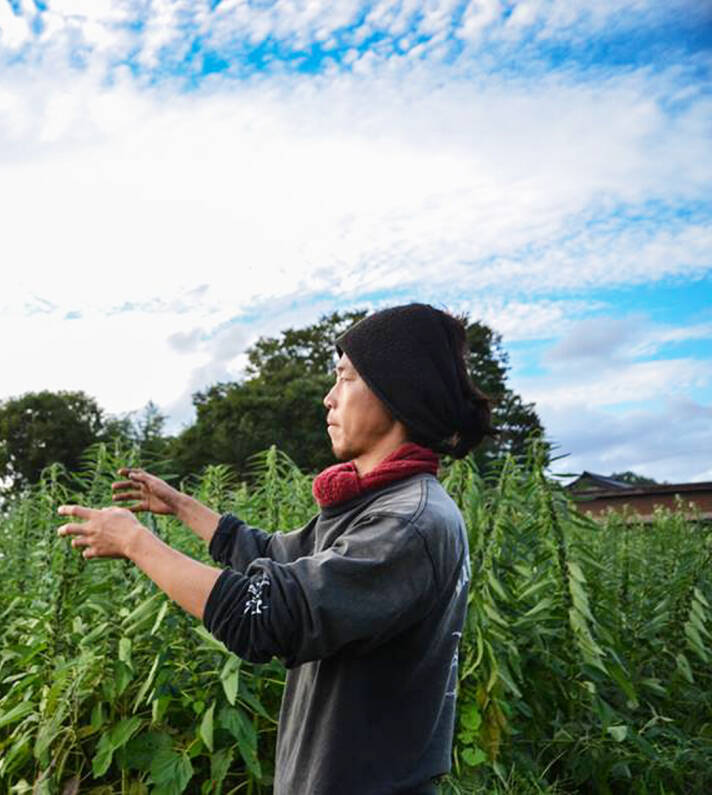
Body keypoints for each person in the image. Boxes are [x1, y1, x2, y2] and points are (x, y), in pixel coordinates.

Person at [56, 303, 495, 794]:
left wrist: (136, 542)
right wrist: (181, 507)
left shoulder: (408, 522)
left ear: (397, 392)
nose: (329, 398)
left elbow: (264, 616)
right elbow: (274, 555)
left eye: (346, 378)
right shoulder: (381, 505)